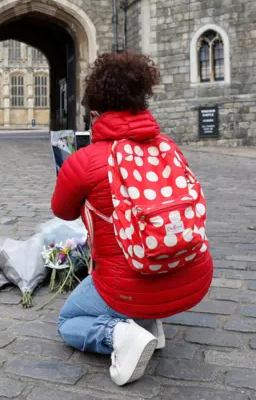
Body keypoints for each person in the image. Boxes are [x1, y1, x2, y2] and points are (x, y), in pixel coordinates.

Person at [51, 51, 213, 386]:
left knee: (68, 321)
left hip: (128, 286)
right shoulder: (168, 147)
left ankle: (123, 334)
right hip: (191, 274)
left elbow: (62, 210)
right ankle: (149, 322)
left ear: (95, 112)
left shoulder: (84, 160)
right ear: (141, 101)